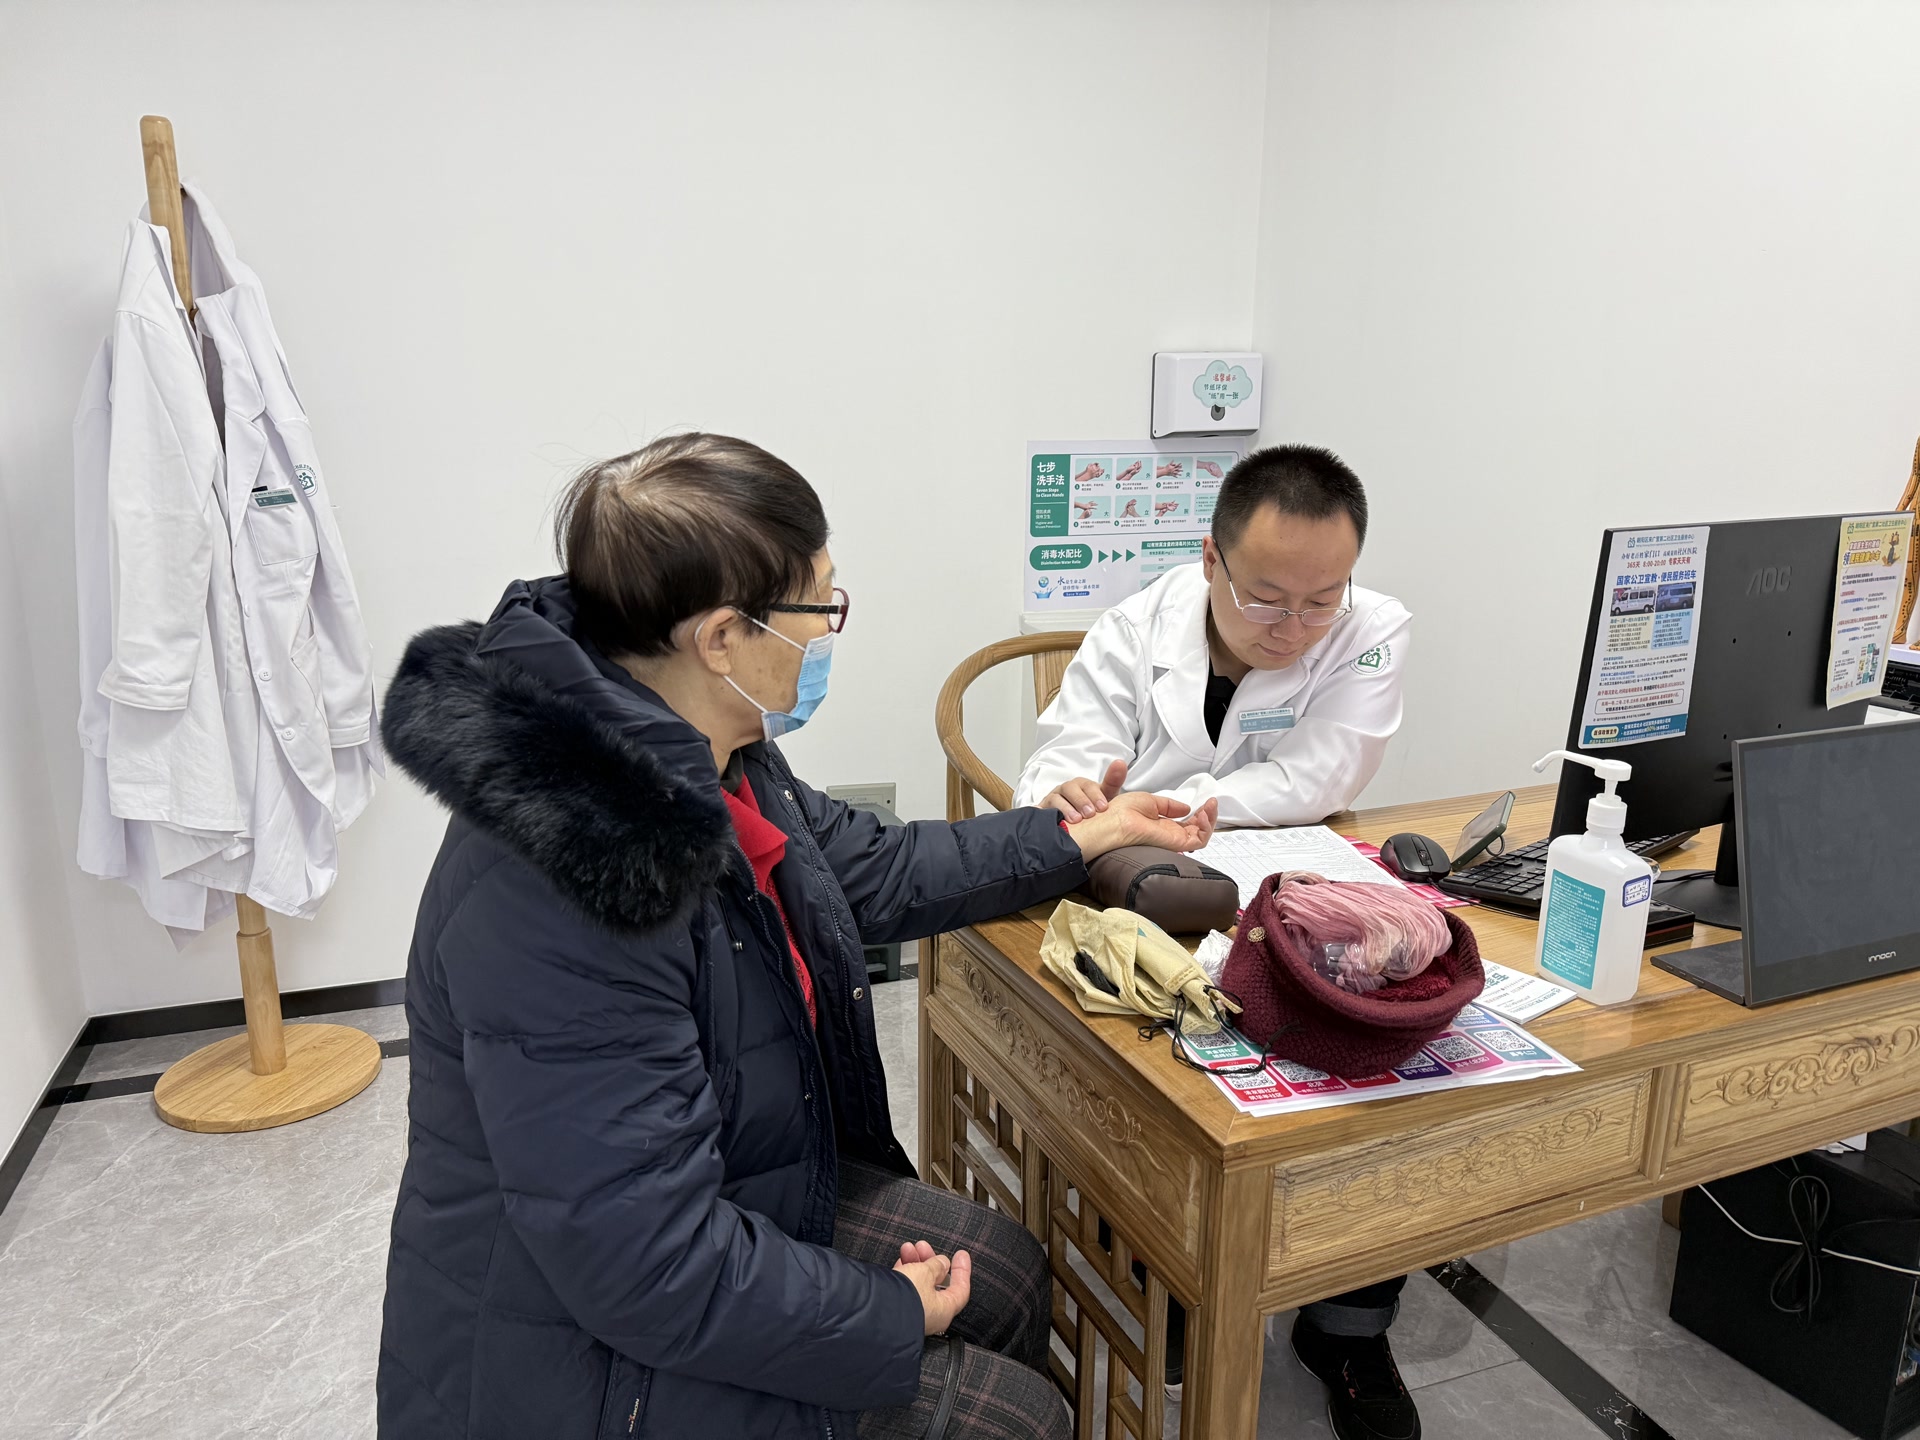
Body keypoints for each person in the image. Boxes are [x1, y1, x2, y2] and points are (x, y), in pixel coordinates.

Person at [374, 433, 1218, 1440]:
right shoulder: (577, 877)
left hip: (703, 1196)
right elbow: (644, 1262)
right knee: (1015, 1417)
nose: (827, 634)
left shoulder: (702, 748)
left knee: (1003, 1272)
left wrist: (1080, 838)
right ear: (722, 638)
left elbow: (876, 866)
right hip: (576, 1357)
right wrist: (886, 1313)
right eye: (820, 608)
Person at [1014, 444, 1420, 1440]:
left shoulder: (1374, 628)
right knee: (1163, 1073)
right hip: (1149, 899)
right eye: (1266, 598)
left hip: (1291, 890)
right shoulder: (1134, 628)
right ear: (1210, 559)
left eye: (1321, 601)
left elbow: (1326, 772)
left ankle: (1349, 1325)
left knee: (1379, 1057)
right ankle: (1165, 1265)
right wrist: (1077, 791)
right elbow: (1063, 761)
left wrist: (1188, 806)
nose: (1294, 626)